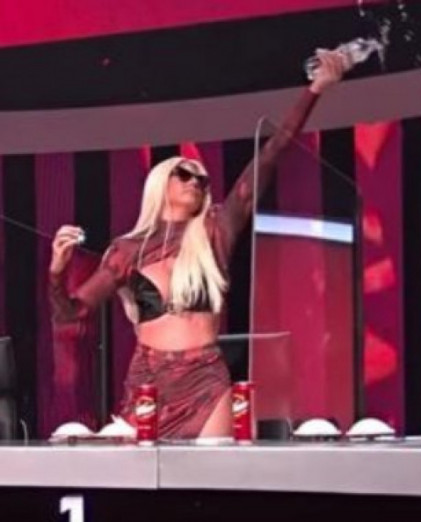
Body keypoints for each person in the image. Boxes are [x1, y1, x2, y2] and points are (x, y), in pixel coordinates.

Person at [48, 50, 350, 439]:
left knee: (214, 469)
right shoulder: (127, 250)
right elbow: (72, 314)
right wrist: (57, 272)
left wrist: (315, 90)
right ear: (160, 182)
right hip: (149, 383)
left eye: (201, 179)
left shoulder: (214, 231)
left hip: (206, 379)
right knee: (141, 474)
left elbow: (271, 154)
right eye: (184, 174)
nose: (195, 182)